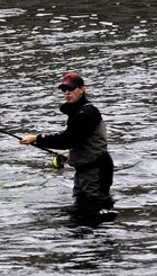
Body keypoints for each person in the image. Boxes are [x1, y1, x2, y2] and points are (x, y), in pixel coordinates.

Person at [20, 71, 114, 211]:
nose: (66, 92)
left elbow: (68, 139)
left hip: (96, 171)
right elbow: (81, 140)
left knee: (92, 212)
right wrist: (71, 156)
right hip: (85, 170)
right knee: (81, 211)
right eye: (64, 89)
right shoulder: (77, 112)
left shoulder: (87, 113)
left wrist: (37, 138)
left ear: (82, 89)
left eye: (70, 88)